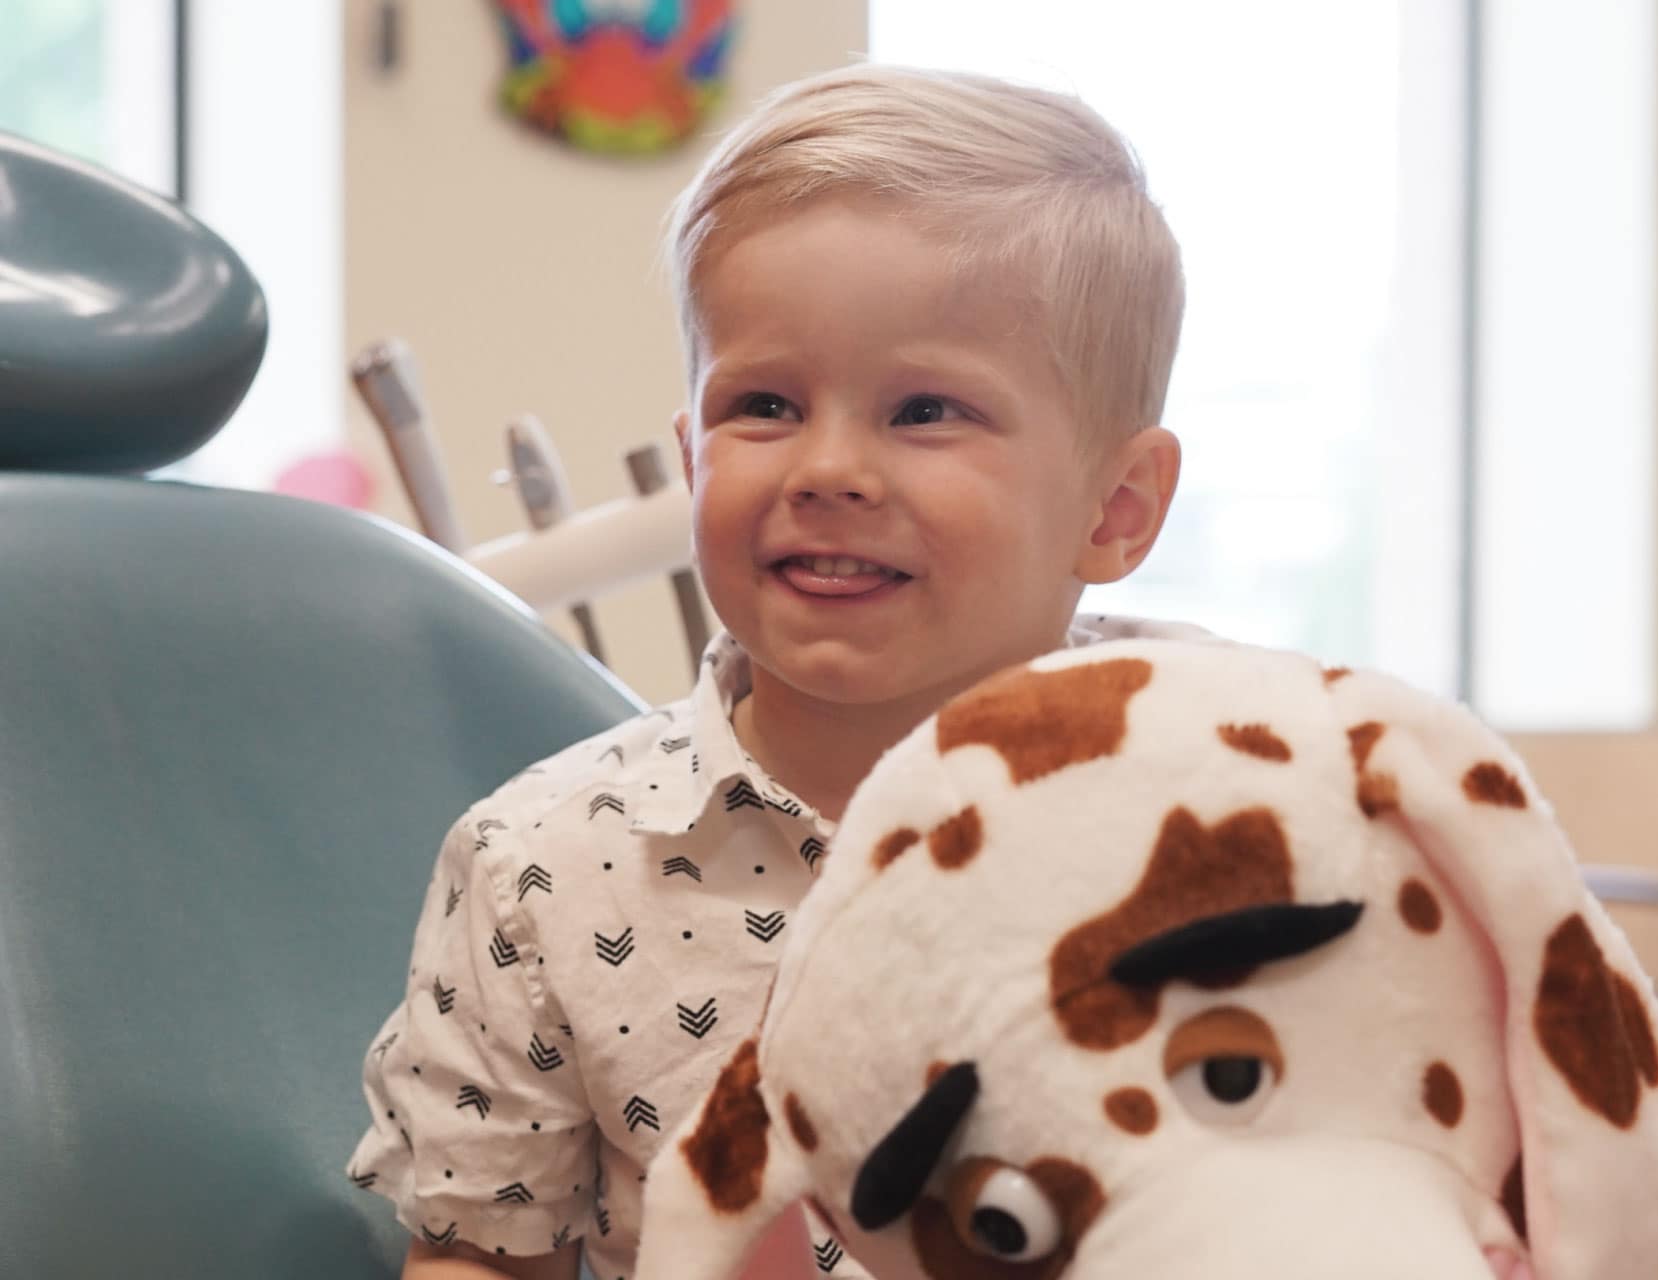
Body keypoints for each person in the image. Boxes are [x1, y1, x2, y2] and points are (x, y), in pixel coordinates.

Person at [349, 61, 1200, 1279]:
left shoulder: (1229, 786)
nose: (829, 467)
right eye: (765, 403)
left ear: (1115, 507)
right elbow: (480, 1252)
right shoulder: (541, 867)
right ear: (695, 455)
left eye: (923, 412)